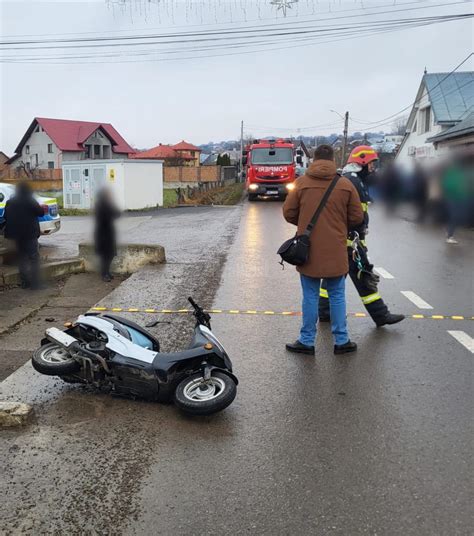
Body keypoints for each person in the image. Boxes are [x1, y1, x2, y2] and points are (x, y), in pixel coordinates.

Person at [282, 144, 364, 356]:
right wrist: (339, 224)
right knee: (337, 295)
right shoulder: (345, 184)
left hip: (308, 250)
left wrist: (305, 223)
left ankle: (307, 341)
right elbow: (357, 217)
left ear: (314, 160)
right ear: (333, 161)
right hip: (336, 249)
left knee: (310, 295)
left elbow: (288, 212)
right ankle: (342, 341)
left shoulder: (301, 183)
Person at [318, 146, 405, 327]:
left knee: (333, 279)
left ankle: (325, 313)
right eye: (371, 164)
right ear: (362, 163)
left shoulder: (352, 180)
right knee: (363, 276)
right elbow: (355, 216)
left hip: (347, 241)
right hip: (351, 244)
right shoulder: (353, 182)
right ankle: (381, 315)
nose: (373, 169)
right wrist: (358, 241)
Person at [4, 182, 44, 290]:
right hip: (30, 234)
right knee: (34, 258)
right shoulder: (30, 200)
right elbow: (40, 213)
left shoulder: (10, 202)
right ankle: (35, 284)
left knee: (22, 258)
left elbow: (6, 217)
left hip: (17, 235)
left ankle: (25, 283)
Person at [94, 188, 120, 282]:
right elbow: (106, 217)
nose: (110, 195)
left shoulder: (109, 204)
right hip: (102, 234)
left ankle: (107, 272)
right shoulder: (99, 205)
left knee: (111, 254)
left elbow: (117, 214)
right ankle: (104, 274)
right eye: (108, 194)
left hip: (109, 233)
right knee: (105, 255)